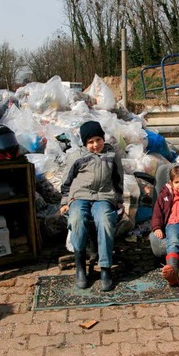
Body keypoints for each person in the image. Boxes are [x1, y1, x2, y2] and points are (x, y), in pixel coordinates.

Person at [60, 120, 124, 291]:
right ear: (84, 143)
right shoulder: (76, 156)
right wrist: (65, 203)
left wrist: (118, 200)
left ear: (103, 138)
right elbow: (66, 182)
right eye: (90, 142)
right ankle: (80, 266)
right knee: (77, 219)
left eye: (98, 140)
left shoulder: (112, 155)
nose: (95, 145)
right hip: (80, 196)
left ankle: (105, 269)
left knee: (105, 221)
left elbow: (118, 180)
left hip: (104, 196)